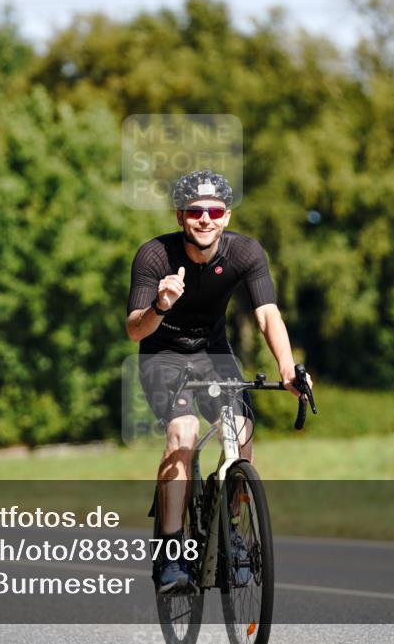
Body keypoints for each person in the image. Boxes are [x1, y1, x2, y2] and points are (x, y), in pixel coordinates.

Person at [126, 170, 312, 593]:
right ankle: (172, 553)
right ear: (180, 216)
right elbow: (135, 330)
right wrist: (161, 304)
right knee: (184, 430)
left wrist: (286, 367)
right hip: (162, 356)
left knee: (242, 428)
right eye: (195, 211)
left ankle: (233, 531)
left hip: (213, 354)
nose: (205, 219)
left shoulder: (246, 252)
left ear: (227, 216)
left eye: (214, 211)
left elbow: (267, 314)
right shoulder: (154, 256)